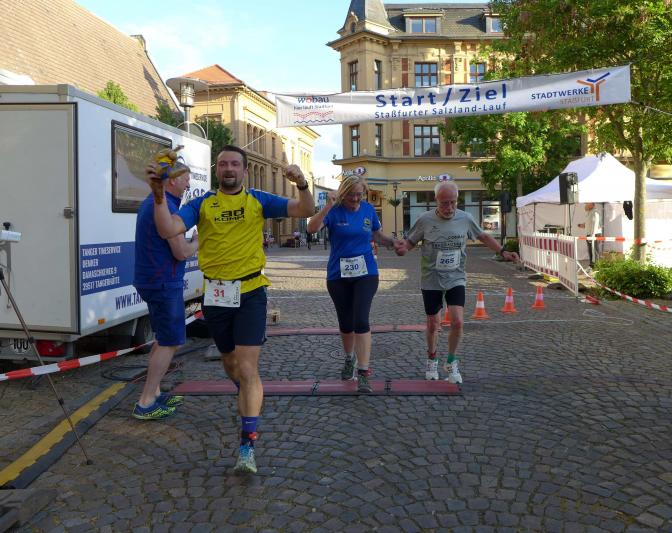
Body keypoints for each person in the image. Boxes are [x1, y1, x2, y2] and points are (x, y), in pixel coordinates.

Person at [147, 145, 314, 474]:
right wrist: (157, 193)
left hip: (251, 292)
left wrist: (302, 184)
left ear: (244, 171)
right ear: (217, 170)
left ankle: (247, 445)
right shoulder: (203, 204)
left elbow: (304, 209)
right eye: (223, 164)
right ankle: (248, 393)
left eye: (235, 164)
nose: (229, 168)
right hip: (217, 294)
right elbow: (168, 229)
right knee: (230, 363)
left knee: (248, 368)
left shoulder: (258, 200)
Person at [394, 181, 520, 384]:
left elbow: (483, 236)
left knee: (458, 322)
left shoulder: (465, 218)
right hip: (431, 279)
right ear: (436, 201)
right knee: (433, 324)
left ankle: (451, 362)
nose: (449, 207)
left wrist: (503, 251)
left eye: (453, 202)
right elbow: (409, 242)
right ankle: (432, 358)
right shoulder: (425, 220)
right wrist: (402, 249)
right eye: (444, 203)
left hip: (456, 277)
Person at [307, 175, 396, 393]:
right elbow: (311, 228)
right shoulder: (334, 210)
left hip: (366, 273)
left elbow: (376, 235)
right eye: (351, 195)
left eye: (359, 194)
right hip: (338, 275)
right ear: (343, 193)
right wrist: (327, 206)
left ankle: (364, 373)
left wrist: (394, 243)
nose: (356, 199)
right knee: (346, 323)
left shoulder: (368, 210)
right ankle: (349, 358)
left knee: (361, 320)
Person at [132, 163, 198, 420]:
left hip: (153, 280)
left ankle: (156, 392)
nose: (189, 184)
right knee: (171, 341)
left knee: (163, 339)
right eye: (186, 179)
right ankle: (146, 401)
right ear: (171, 181)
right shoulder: (166, 207)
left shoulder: (154, 202)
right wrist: (198, 241)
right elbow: (181, 252)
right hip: (163, 281)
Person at [578, 202, 601, 267]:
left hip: (595, 234)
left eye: (587, 203)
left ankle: (596, 266)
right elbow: (590, 224)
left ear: (591, 204)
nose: (585, 205)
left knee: (594, 250)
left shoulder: (595, 212)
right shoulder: (589, 212)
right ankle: (591, 265)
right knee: (590, 250)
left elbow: (595, 225)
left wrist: (592, 235)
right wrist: (583, 225)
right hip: (590, 234)